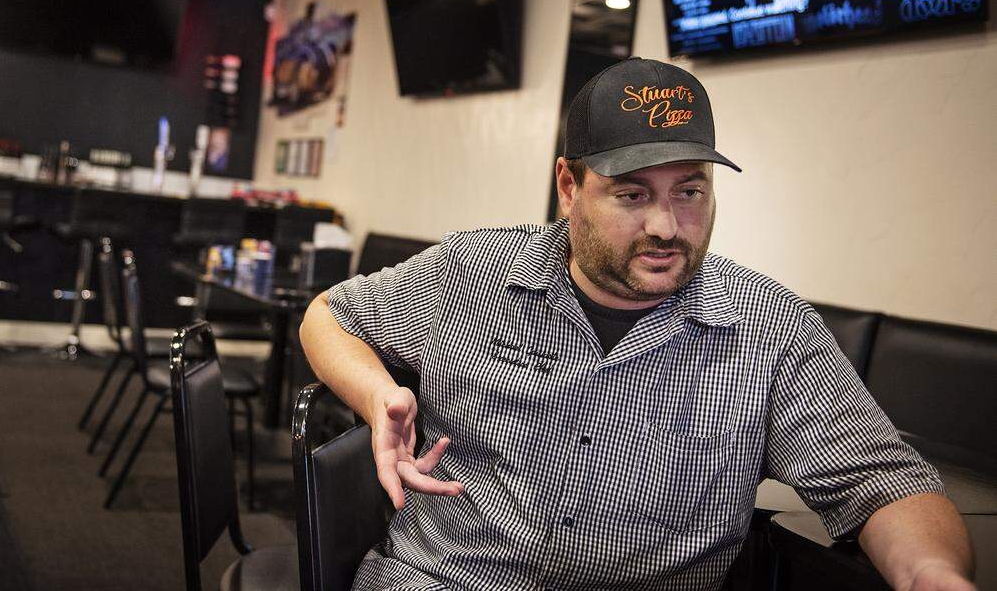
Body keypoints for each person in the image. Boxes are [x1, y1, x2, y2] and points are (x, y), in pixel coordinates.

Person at [299, 57, 975, 590]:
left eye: (690, 192)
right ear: (568, 184)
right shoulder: (472, 272)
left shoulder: (770, 329)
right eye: (632, 194)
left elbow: (886, 482)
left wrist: (931, 573)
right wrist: (376, 394)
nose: (665, 227)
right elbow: (328, 313)